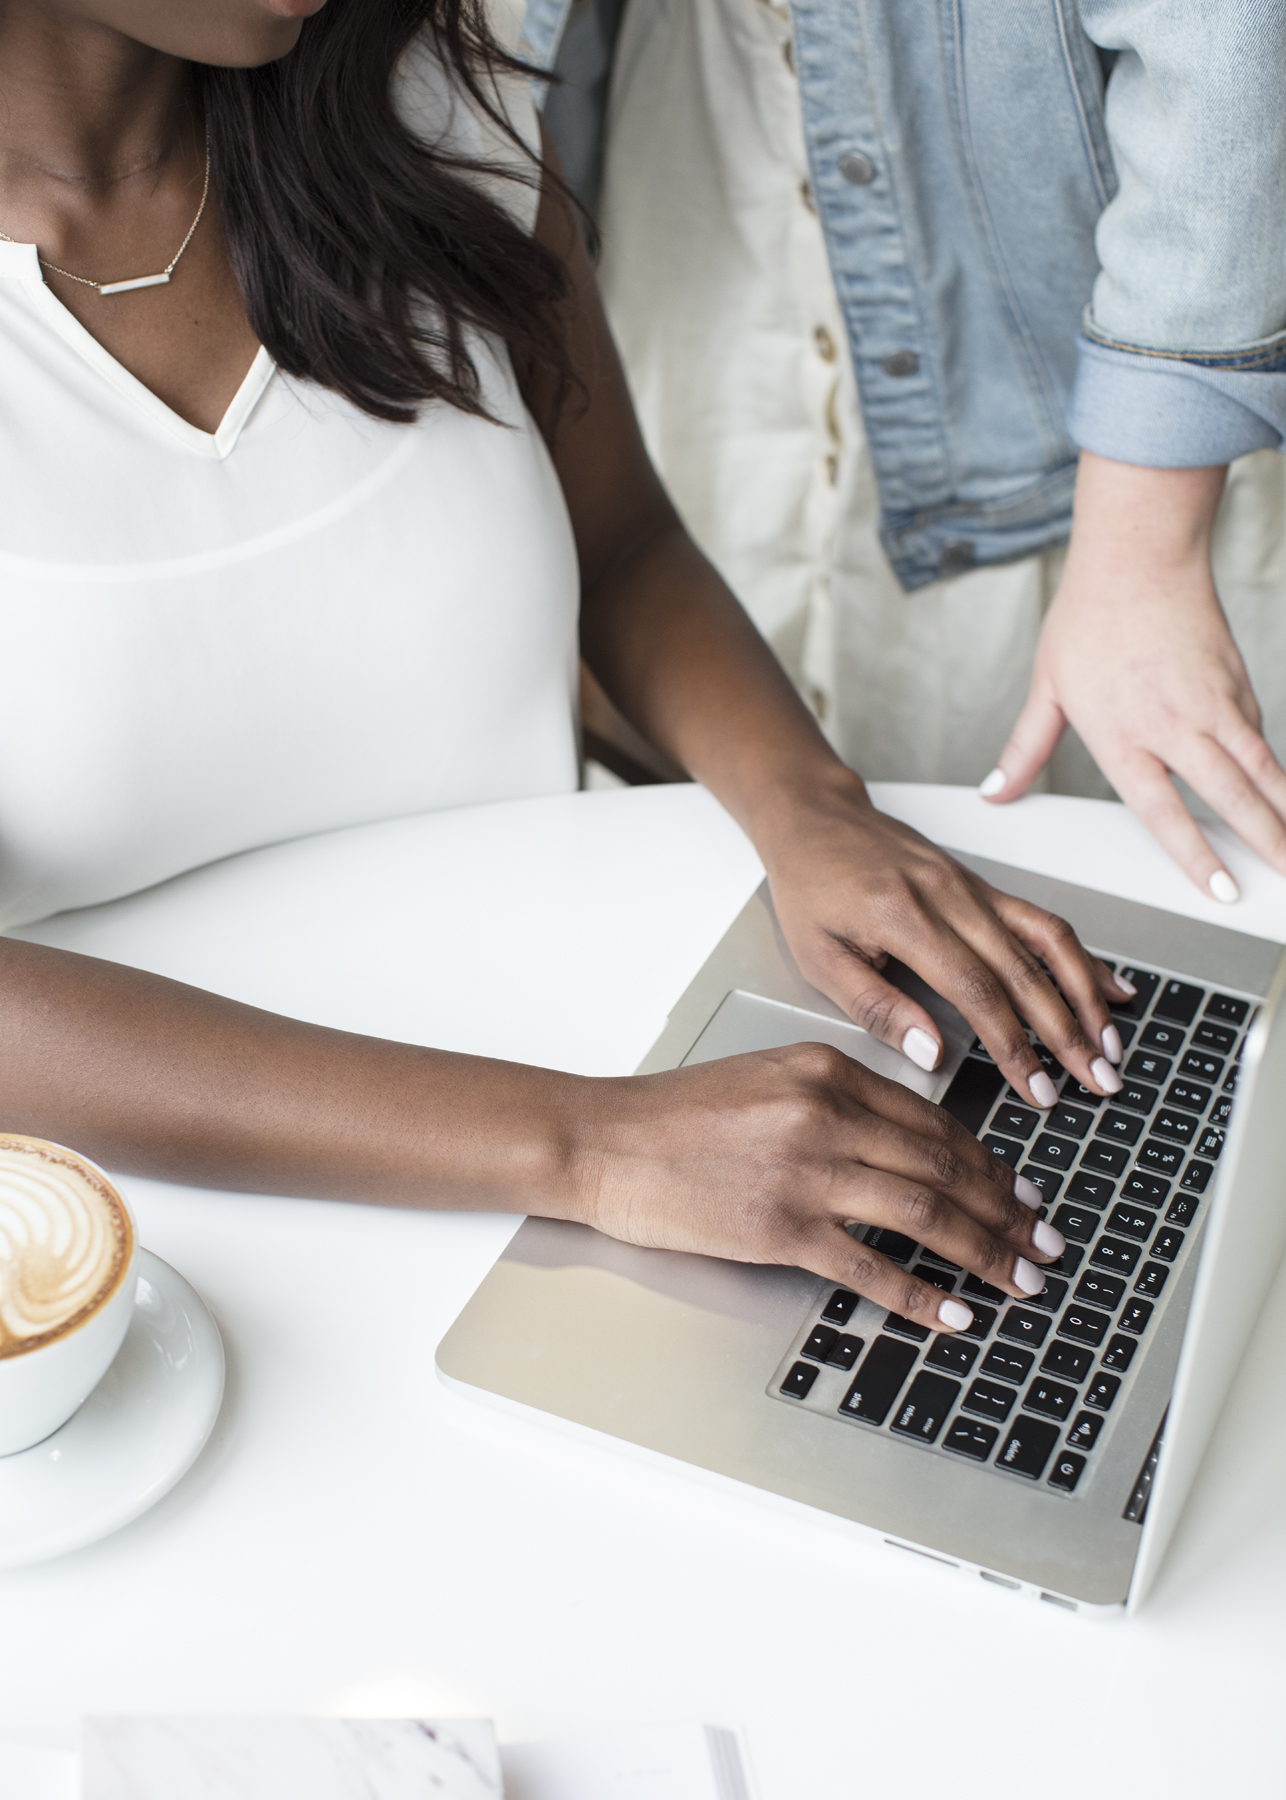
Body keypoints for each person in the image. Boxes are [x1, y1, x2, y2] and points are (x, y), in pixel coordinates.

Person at [0, 0, 1133, 1336]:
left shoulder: (424, 99)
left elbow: (623, 546)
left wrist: (810, 809)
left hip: (606, 1153)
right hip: (126, 1283)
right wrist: (596, 1148)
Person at [533, 0, 1286, 904]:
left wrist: (1142, 550)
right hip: (693, 205)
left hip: (1082, 357)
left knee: (1110, 882)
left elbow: (1224, 60)